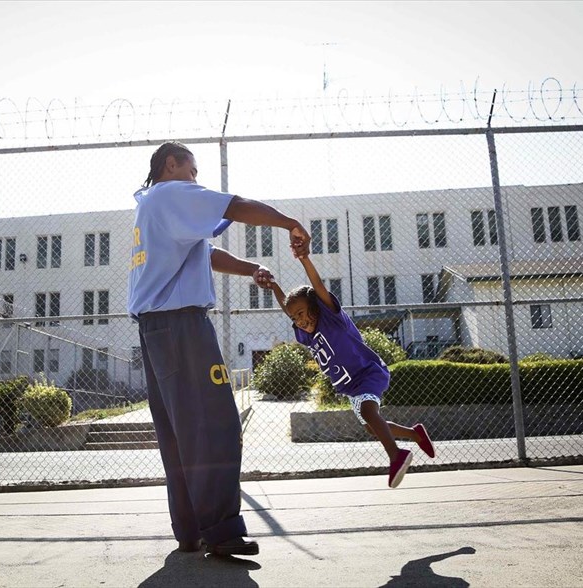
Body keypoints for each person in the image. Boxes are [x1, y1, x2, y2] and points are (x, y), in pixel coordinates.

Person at [128, 141, 310, 557]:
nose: (196, 179)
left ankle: (191, 530)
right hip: (182, 328)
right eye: (192, 170)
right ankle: (223, 531)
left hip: (156, 329)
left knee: (179, 433)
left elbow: (204, 253)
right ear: (171, 165)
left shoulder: (150, 207)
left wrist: (251, 269)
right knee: (215, 424)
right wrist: (289, 222)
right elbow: (234, 205)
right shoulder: (172, 192)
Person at [266, 254, 436, 488]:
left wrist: (304, 258)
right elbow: (289, 307)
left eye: (302, 314)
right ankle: (415, 434)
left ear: (316, 307)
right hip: (352, 388)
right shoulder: (305, 333)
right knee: (370, 426)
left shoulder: (332, 318)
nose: (299, 320)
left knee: (369, 412)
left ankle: (396, 456)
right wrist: (274, 285)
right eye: (295, 318)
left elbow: (318, 286)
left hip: (368, 372)